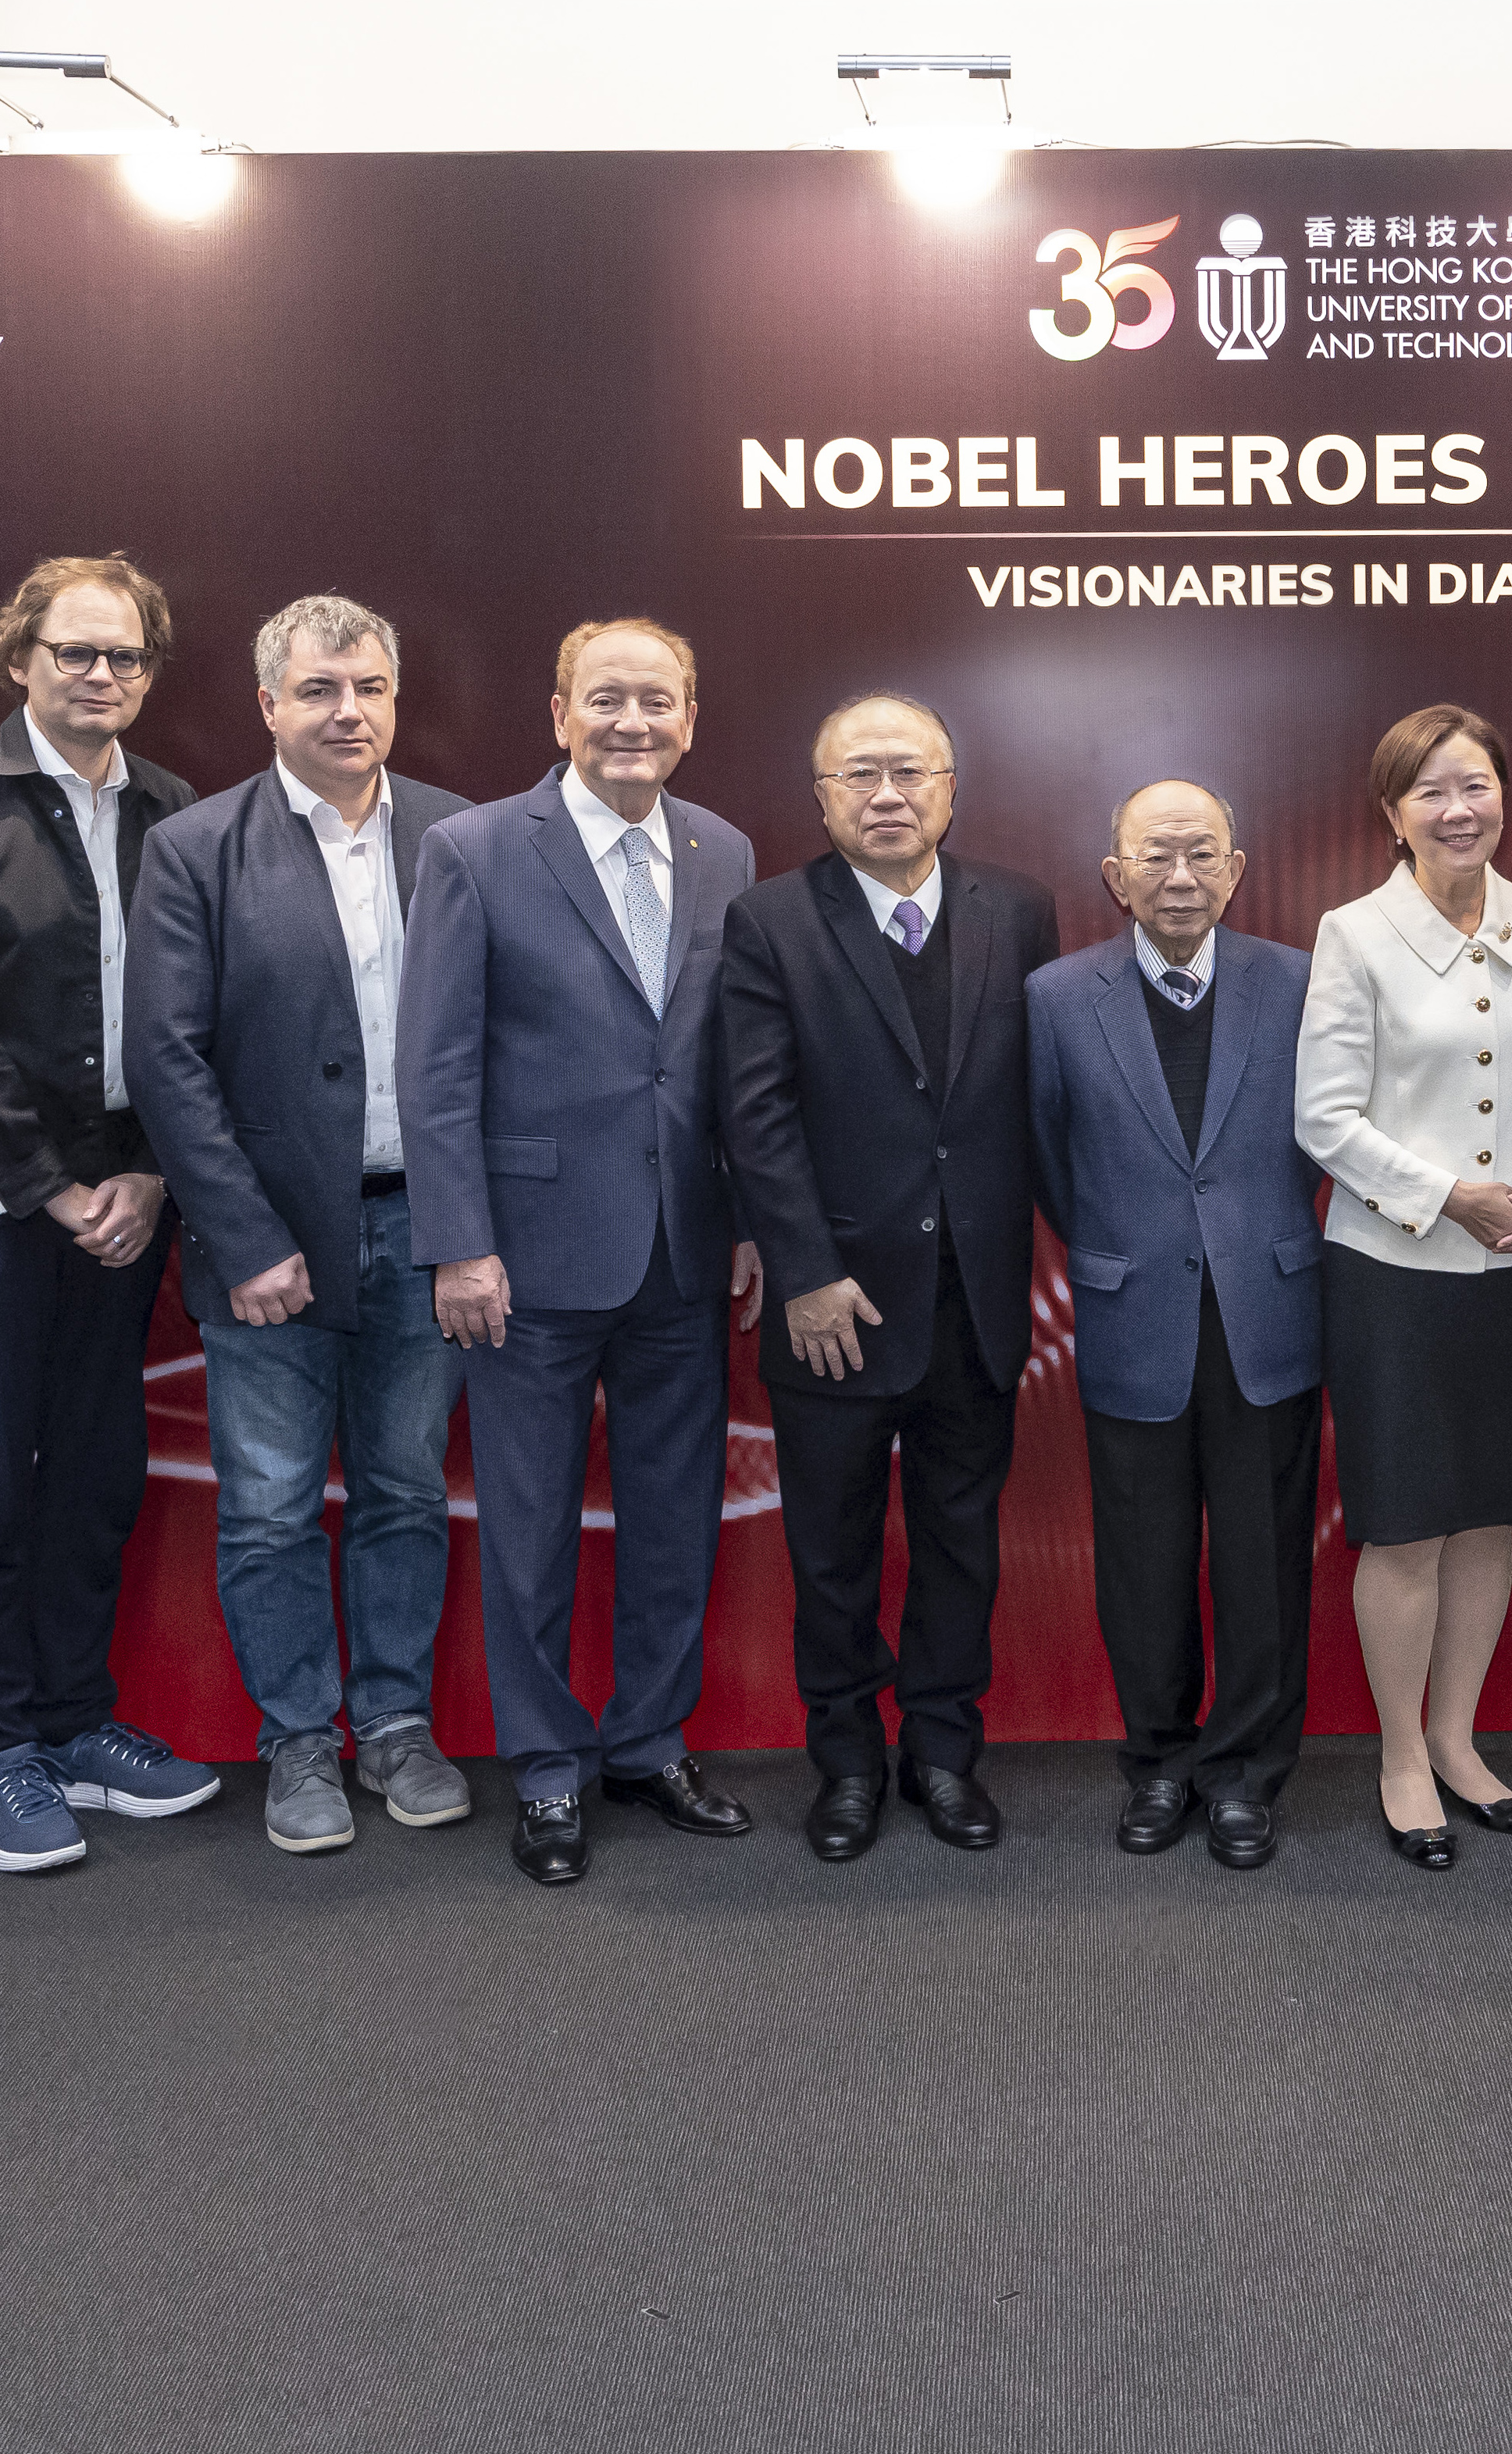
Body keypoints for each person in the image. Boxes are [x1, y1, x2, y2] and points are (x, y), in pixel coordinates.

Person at [395, 617, 763, 1886]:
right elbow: (435, 1065)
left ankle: (649, 1744)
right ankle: (547, 1767)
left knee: (676, 1521)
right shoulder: (476, 848)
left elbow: (731, 1066)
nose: (633, 722)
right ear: (559, 712)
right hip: (528, 1256)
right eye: (607, 698)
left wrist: (753, 1222)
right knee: (531, 1526)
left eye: (657, 700)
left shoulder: (726, 851)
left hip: (684, 1249)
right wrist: (457, 1241)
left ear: (690, 718)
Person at [0, 552, 218, 1874]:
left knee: (97, 1469)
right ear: (19, 659)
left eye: (125, 656)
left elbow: (194, 1014)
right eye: (74, 652)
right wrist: (53, 1185)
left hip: (127, 1203)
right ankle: (1, 1749)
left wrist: (147, 1174)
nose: (100, 676)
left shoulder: (175, 812)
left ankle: (79, 1725)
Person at [125, 594, 476, 1857]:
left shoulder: (459, 835)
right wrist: (245, 1234)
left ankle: (392, 1723)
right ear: (268, 702)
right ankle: (299, 1740)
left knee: (403, 1492)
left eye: (370, 687)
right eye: (321, 689)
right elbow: (164, 1059)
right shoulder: (197, 847)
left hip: (420, 1229)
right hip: (267, 1245)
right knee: (270, 1506)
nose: (349, 711)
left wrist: (468, 1224)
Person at [716, 694, 1054, 1861]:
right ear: (822, 799)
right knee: (834, 1549)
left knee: (962, 1540)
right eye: (859, 774)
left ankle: (945, 1753)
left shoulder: (1019, 909)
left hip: (975, 1293)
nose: (889, 793)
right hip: (836, 1307)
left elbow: (1036, 1101)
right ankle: (849, 1761)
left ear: (952, 788)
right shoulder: (767, 921)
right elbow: (753, 1114)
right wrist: (803, 1270)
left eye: (911, 772)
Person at [1296, 706, 1512, 1870]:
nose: (1458, 808)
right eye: (1430, 792)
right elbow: (1323, 1116)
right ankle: (1401, 1755)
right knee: (1409, 1521)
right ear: (1392, 814)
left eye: (1475, 784)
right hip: (1395, 1270)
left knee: (1488, 1509)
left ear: (1505, 795)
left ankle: (1461, 1739)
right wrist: (1448, 1192)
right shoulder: (1356, 932)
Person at [1030, 780, 1326, 1870]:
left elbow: (1321, 1136)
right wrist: (1123, 1243)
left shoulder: (1298, 983)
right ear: (1115, 875)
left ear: (1238, 868)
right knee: (1144, 1565)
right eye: (1155, 855)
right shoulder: (1056, 998)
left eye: (1202, 853)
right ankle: (1159, 1761)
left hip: (1269, 1307)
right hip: (1131, 1311)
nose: (1181, 875)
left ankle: (1246, 1775)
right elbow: (1052, 1159)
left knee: (1263, 1560)